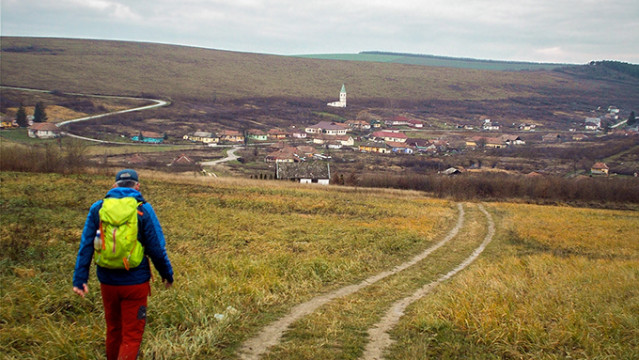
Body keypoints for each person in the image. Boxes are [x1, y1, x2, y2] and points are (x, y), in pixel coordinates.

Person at [73, 169, 174, 360]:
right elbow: (156, 248)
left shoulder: (98, 208)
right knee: (131, 336)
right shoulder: (143, 209)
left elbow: (86, 244)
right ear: (137, 186)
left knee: (113, 330)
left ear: (114, 186)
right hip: (136, 283)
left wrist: (80, 279)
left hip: (108, 282)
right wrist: (167, 274)